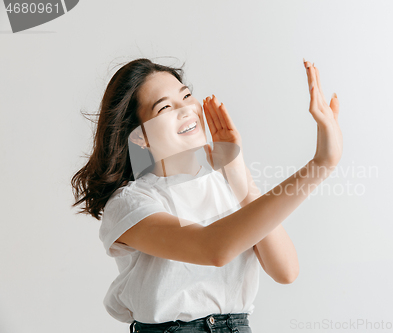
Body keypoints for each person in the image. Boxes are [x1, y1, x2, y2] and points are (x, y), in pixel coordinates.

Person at [71, 57, 343, 333]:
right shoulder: (129, 203)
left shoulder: (224, 185)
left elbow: (285, 270)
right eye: (165, 107)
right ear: (140, 137)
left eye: (186, 95)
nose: (186, 109)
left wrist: (238, 174)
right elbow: (213, 248)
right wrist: (321, 164)